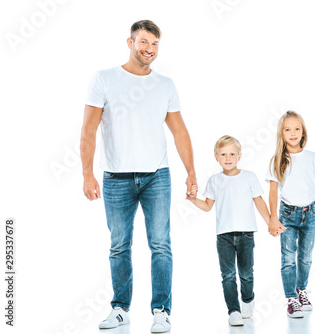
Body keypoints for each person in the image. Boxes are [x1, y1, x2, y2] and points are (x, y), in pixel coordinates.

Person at [80, 20, 196, 332]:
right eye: (143, 42)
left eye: (155, 44)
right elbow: (89, 131)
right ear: (130, 42)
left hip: (157, 176)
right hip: (115, 178)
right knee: (119, 245)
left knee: (160, 244)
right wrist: (87, 174)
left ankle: (161, 310)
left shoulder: (165, 85)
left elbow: (180, 132)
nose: (149, 49)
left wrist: (191, 172)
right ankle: (120, 309)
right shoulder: (104, 79)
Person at [186, 135, 274, 326]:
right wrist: (193, 200)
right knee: (227, 274)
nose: (228, 158)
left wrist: (270, 222)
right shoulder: (215, 180)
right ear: (216, 157)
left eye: (232, 154)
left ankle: (248, 299)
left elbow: (259, 201)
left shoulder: (249, 177)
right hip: (224, 235)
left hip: (246, 234)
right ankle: (233, 310)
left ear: (239, 156)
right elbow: (208, 205)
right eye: (223, 154)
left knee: (246, 273)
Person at [266, 111, 315, 318]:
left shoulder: (312, 157)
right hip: (287, 214)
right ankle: (291, 298)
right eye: (288, 129)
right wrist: (273, 217)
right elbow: (273, 193)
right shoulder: (277, 160)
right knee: (288, 258)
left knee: (306, 258)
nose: (293, 133)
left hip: (311, 213)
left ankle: (302, 290)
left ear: (303, 132)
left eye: (297, 129)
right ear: (281, 134)